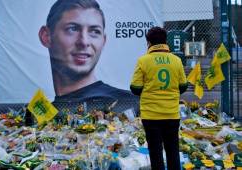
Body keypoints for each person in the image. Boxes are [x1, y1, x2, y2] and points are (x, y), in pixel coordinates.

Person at [39, 0, 139, 114]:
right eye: (72, 29)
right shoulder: (43, 112)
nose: (84, 42)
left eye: (94, 31)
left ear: (103, 41)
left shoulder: (129, 103)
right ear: (46, 36)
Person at [130, 27, 188, 170]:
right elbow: (183, 86)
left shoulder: (143, 61)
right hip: (171, 114)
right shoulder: (176, 60)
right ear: (165, 41)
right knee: (173, 151)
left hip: (151, 115)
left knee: (155, 153)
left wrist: (150, 90)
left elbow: (135, 88)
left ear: (148, 42)